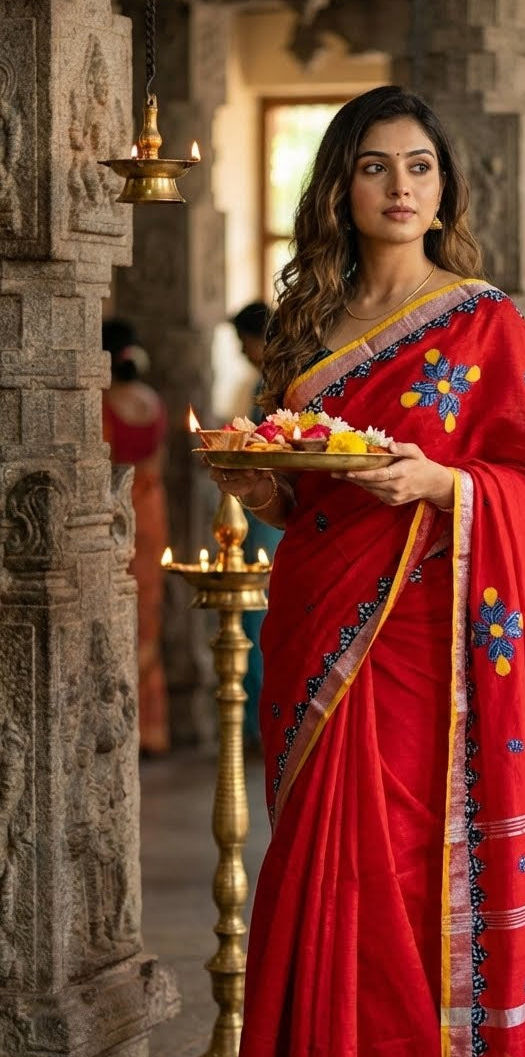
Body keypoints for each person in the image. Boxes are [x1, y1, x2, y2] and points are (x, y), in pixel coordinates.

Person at [204, 86, 525, 1057]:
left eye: (421, 167)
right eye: (376, 166)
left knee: (392, 880)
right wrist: (264, 490)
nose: (400, 187)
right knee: (311, 877)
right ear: (340, 185)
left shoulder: (487, 327)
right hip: (321, 621)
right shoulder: (313, 325)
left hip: (429, 642)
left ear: (447, 187)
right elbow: (302, 489)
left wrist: (444, 486)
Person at [101, 318, 170, 756]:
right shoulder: (154, 402)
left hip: (116, 511)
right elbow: (157, 462)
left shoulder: (105, 404)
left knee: (116, 609)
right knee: (148, 608)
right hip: (152, 508)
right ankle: (153, 728)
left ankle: (121, 724)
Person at [230, 300, 282, 750]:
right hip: (268, 507)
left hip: (274, 512)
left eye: (243, 342)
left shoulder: (277, 383)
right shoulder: (269, 380)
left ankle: (262, 726)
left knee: (260, 613)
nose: (243, 352)